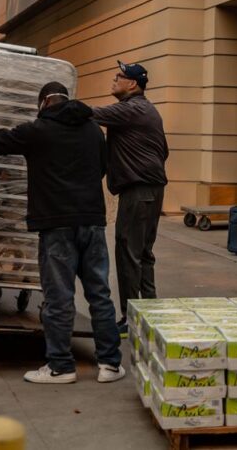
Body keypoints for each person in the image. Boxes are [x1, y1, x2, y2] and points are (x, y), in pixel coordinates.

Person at [0, 82, 124, 385]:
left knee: (59, 298)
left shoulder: (38, 130)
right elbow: (101, 168)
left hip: (56, 225)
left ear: (43, 102)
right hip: (91, 222)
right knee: (99, 294)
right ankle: (110, 365)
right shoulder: (93, 130)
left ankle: (61, 367)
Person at [91, 61, 169, 334]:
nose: (114, 80)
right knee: (143, 253)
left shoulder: (131, 108)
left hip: (139, 190)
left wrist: (62, 107)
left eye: (119, 77)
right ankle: (149, 312)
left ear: (132, 84)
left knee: (128, 253)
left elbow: (92, 114)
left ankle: (131, 318)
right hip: (151, 188)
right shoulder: (146, 109)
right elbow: (164, 151)